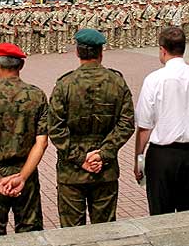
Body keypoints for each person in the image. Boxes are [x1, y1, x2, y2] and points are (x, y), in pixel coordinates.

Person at [48, 28, 134, 227]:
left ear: (77, 52)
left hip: (71, 172)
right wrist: (103, 154)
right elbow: (126, 123)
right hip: (105, 169)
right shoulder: (117, 82)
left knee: (73, 234)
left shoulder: (64, 84)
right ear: (101, 52)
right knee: (105, 230)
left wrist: (80, 158)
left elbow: (55, 128)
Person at [134, 27, 189, 215]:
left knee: (161, 213)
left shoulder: (154, 79)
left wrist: (138, 158)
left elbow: (144, 126)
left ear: (162, 50)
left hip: (163, 156)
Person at [0, 43, 48, 237]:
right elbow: (42, 143)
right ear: (21, 66)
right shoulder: (36, 95)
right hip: (26, 172)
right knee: (30, 232)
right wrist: (22, 177)